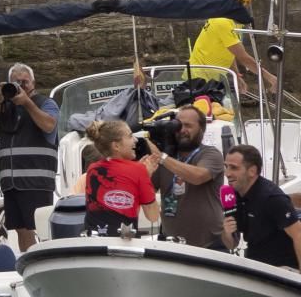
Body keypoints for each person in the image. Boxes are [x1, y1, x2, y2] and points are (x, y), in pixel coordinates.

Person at [0, 62, 57, 251]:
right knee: (21, 229)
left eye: (25, 82)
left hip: (36, 181)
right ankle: (27, 264)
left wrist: (27, 103)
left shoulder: (46, 103)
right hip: (11, 182)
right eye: (16, 83)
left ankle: (46, 263)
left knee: (41, 228)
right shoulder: (4, 106)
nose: (22, 86)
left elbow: (49, 125)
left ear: (34, 83)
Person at [146, 105, 225, 248]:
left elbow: (198, 176)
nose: (182, 130)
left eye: (188, 126)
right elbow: (147, 189)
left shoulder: (211, 154)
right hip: (171, 243)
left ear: (202, 130)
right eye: (178, 126)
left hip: (209, 245)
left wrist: (161, 157)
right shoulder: (165, 157)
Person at [190, 0, 275, 95]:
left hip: (212, 77)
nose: (244, 3)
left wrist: (236, 76)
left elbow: (230, 51)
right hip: (200, 78)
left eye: (246, 1)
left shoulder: (234, 21)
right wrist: (270, 78)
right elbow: (243, 57)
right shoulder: (223, 21)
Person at [222, 145, 301, 268]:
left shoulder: (272, 197)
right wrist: (226, 233)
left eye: (234, 168)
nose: (227, 173)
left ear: (252, 171)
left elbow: (298, 234)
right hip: (256, 265)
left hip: (282, 269)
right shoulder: (232, 196)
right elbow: (231, 245)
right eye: (226, 167)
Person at [82, 118, 159, 236]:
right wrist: (145, 176)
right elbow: (153, 216)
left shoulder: (92, 169)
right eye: (130, 136)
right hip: (123, 244)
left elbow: (122, 182)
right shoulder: (138, 171)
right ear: (116, 146)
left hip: (94, 242)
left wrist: (141, 174)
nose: (135, 140)